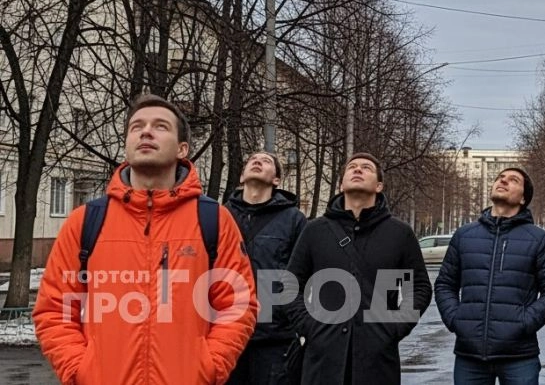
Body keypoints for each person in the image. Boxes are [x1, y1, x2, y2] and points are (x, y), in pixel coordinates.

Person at [34, 94, 258, 385]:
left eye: (160, 126)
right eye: (136, 126)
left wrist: (209, 366)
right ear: (127, 144)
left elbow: (237, 305)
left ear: (182, 148)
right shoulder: (84, 221)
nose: (146, 131)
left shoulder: (214, 220)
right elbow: (54, 309)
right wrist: (80, 370)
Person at [284, 152, 432, 385]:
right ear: (341, 184)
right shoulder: (315, 231)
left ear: (379, 186)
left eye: (366, 168)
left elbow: (420, 288)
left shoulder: (399, 233)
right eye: (352, 167)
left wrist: (395, 328)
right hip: (323, 359)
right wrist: (309, 327)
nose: (358, 170)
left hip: (377, 360)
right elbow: (290, 285)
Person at [435, 167, 545, 384]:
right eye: (500, 178)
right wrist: (456, 319)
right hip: (470, 356)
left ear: (523, 198)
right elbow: (445, 284)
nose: (503, 181)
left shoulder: (538, 239)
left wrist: (524, 322)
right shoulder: (464, 235)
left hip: (519, 356)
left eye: (513, 180)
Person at [225, 151, 308, 384]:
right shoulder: (222, 216)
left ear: (277, 180)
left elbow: (304, 275)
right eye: (252, 160)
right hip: (227, 334)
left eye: (267, 161)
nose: (258, 161)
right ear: (241, 176)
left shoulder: (293, 219)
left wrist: (299, 324)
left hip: (276, 339)